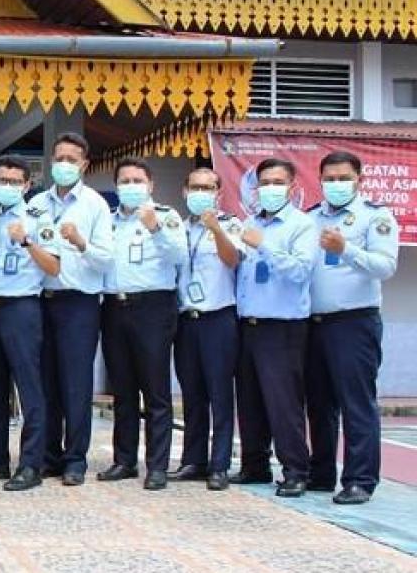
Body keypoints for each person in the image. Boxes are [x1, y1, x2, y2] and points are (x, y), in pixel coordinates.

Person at [306, 151, 398, 505]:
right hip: (313, 323)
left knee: (356, 403)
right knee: (319, 403)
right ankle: (321, 472)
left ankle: (360, 479)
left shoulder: (375, 216)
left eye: (344, 178)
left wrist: (346, 249)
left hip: (354, 322)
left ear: (360, 179)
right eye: (329, 178)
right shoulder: (310, 218)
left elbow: (385, 266)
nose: (336, 184)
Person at [26, 132, 113, 486]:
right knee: (45, 381)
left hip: (79, 303)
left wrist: (80, 242)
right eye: (59, 158)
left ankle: (75, 458)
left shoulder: (95, 205)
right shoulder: (36, 203)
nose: (63, 164)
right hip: (41, 300)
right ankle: (48, 456)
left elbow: (105, 260)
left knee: (76, 383)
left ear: (84, 165)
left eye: (71, 160)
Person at [96, 158, 186, 491]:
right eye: (125, 181)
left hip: (153, 307)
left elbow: (179, 257)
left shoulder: (166, 215)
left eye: (137, 180)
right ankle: (124, 460)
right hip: (113, 307)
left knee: (155, 390)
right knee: (122, 390)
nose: (131, 186)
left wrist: (155, 229)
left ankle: (158, 465)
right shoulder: (107, 220)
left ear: (150, 185)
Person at [234, 157, 318, 497]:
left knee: (283, 402)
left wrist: (264, 245)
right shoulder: (249, 223)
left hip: (282, 327)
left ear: (292, 186)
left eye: (277, 182)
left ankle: (296, 470)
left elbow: (300, 271)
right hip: (248, 323)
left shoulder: (301, 225)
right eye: (265, 183)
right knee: (250, 400)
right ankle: (255, 465)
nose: (270, 189)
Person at [0, 155, 60, 492]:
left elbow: (53, 266)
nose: (7, 186)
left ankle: (31, 464)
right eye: (2, 180)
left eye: (14, 182)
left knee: (29, 388)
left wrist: (27, 241)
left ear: (27, 185)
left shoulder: (38, 218)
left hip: (22, 307)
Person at [170, 168, 243, 492]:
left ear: (218, 193)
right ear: (185, 191)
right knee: (192, 394)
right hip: (186, 320)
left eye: (208, 188)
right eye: (195, 187)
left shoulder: (231, 225)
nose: (201, 193)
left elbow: (233, 260)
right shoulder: (178, 227)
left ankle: (219, 465)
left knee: (220, 394)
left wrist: (216, 230)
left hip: (218, 318)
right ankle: (193, 460)